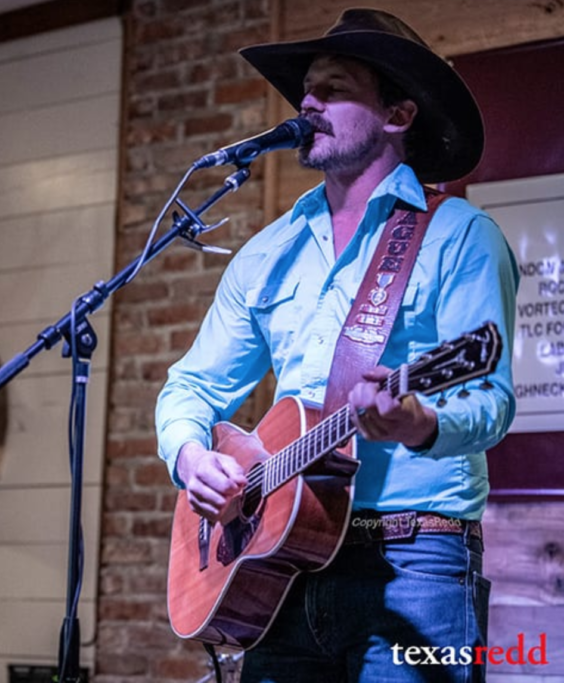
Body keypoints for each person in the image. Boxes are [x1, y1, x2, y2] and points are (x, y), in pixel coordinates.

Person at [155, 8, 518, 683]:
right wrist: (190, 453)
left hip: (414, 563)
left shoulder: (460, 236)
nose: (309, 102)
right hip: (278, 561)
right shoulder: (268, 252)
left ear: (398, 115)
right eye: (306, 91)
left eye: (335, 87)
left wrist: (420, 421)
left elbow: (492, 403)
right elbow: (192, 387)